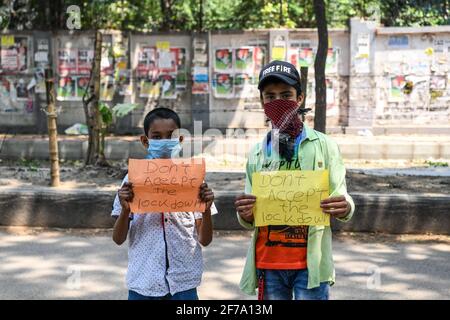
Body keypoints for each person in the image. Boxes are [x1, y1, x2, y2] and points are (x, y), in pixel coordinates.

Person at [234, 60, 355, 300]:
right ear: (262, 103)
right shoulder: (257, 153)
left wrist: (344, 206)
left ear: (300, 98)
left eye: (286, 95)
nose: (278, 102)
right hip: (268, 263)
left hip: (311, 263)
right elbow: (250, 211)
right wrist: (245, 212)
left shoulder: (325, 146)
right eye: (270, 96)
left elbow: (342, 195)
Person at [111, 107, 217, 300]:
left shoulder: (193, 180)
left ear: (180, 140)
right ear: (145, 141)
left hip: (183, 282)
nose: (164, 142)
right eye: (157, 137)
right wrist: (126, 210)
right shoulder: (132, 180)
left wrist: (207, 210)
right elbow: (118, 238)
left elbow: (205, 239)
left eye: (171, 136)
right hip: (144, 282)